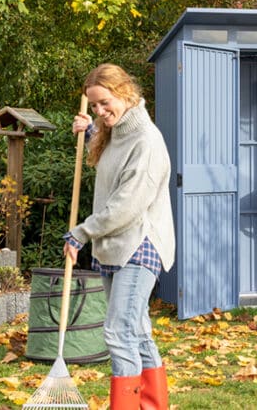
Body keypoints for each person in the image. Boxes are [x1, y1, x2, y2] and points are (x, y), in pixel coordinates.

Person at [63, 63, 174, 410]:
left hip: (139, 245)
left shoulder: (147, 141)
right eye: (93, 105)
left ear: (125, 92)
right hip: (115, 246)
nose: (100, 110)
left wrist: (82, 232)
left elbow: (126, 206)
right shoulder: (116, 130)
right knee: (137, 333)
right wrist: (91, 129)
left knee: (119, 332)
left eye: (104, 102)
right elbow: (112, 151)